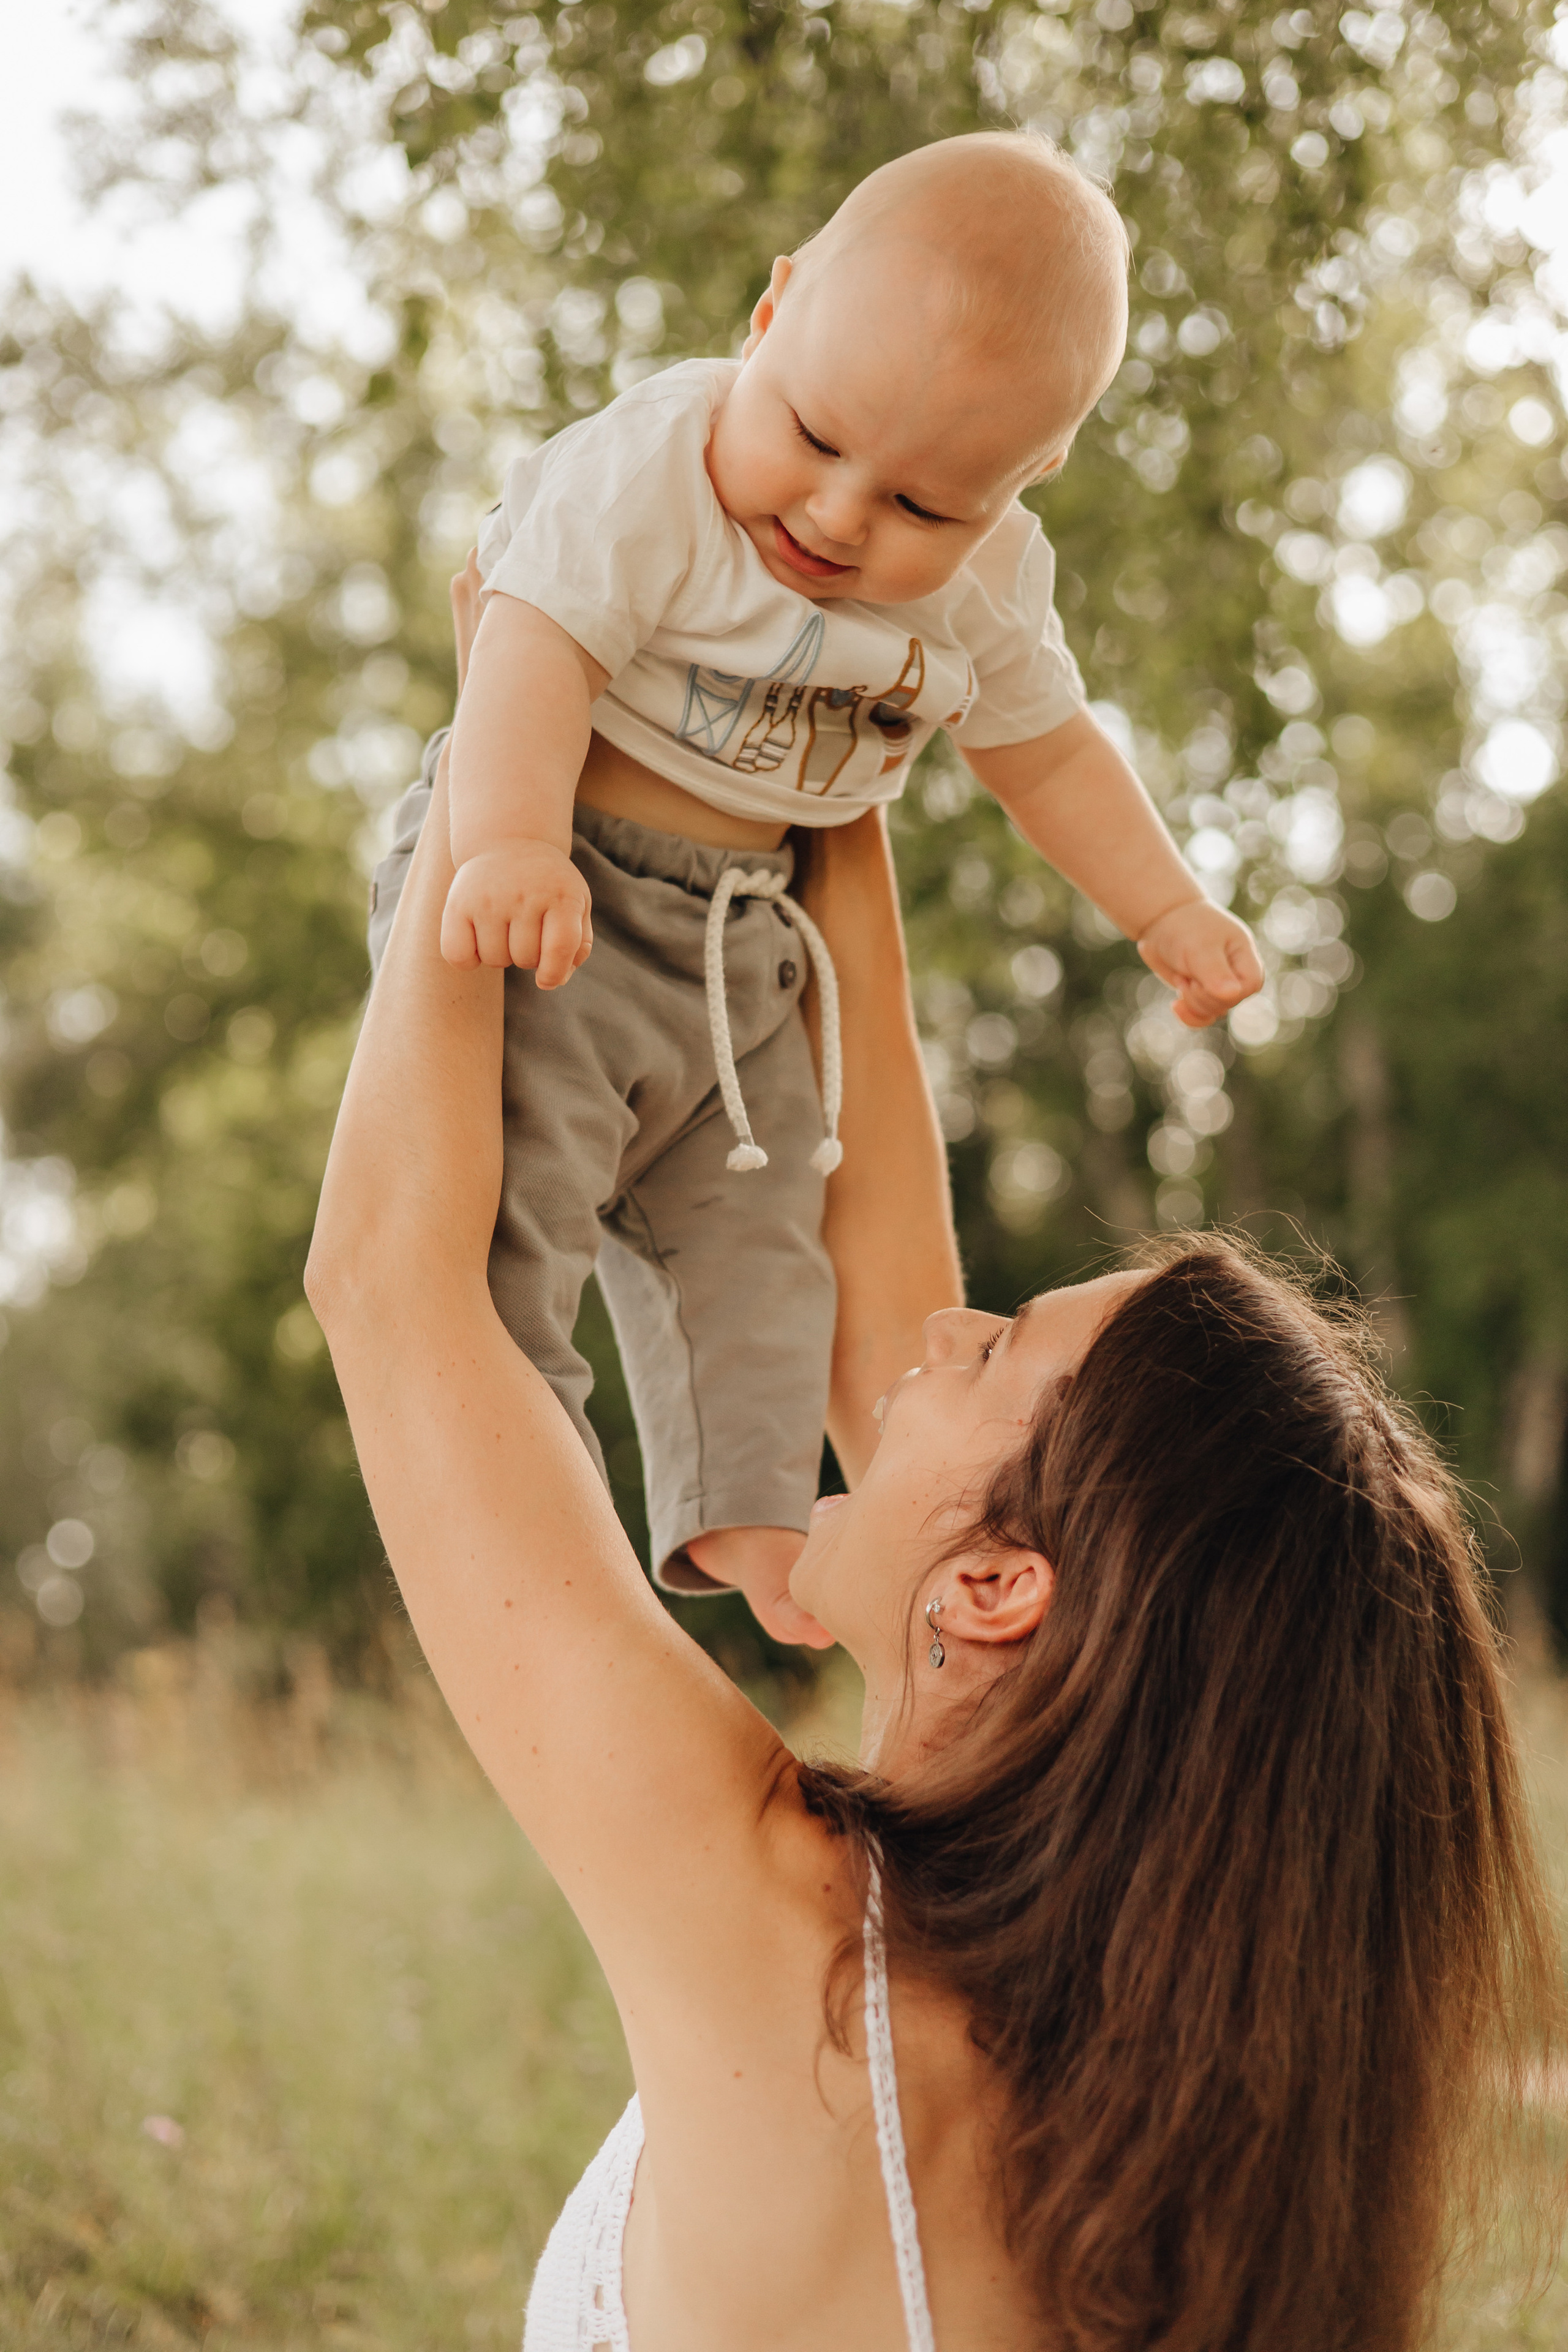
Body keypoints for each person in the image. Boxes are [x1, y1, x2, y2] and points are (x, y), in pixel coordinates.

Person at [309, 567, 1558, 2352]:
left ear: (994, 1587)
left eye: (998, 1348)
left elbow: (390, 1285)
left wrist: (515, 726)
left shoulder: (793, 1941)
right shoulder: (1197, 2131)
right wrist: (822, 702)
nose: (936, 1339)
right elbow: (872, 1216)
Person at [366, 131, 1266, 1648]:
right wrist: (507, 842)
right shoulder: (649, 465)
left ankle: (752, 1522)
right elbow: (525, 644)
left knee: (759, 1232)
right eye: (814, 437)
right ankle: (522, 1505)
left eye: (924, 506)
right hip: (558, 889)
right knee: (509, 1202)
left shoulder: (988, 589)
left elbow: (1045, 754)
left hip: (750, 943)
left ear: (1026, 480)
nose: (842, 518)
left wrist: (1163, 908)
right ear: (771, 312)